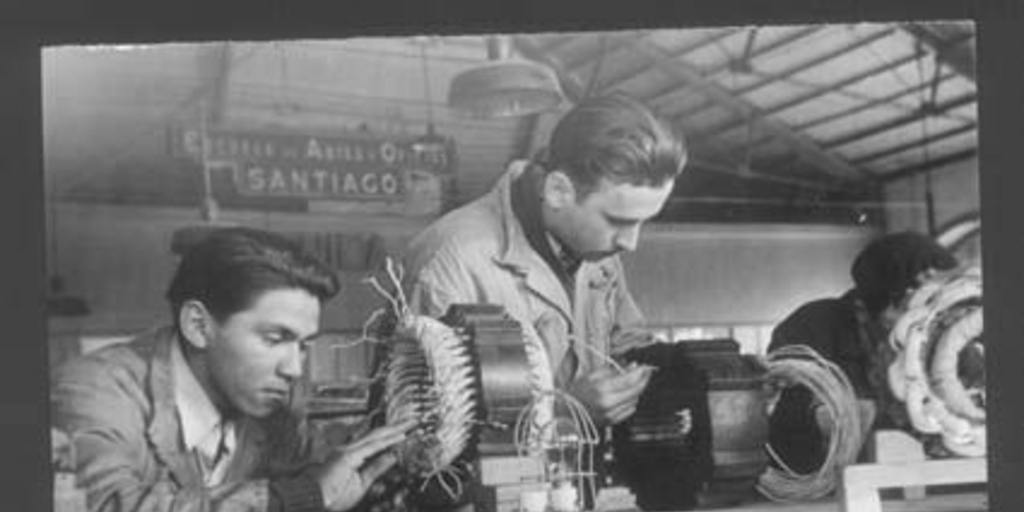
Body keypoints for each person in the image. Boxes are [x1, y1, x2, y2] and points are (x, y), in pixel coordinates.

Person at [52, 227, 414, 512]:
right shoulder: (94, 390)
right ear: (198, 325)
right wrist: (296, 498)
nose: (294, 368)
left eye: (303, 345)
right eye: (275, 338)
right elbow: (105, 505)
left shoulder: (277, 409)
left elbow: (325, 484)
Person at [403, 93, 688, 425]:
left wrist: (681, 367)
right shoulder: (451, 260)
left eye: (643, 221)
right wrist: (562, 411)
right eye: (618, 221)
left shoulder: (598, 250)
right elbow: (420, 425)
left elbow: (625, 347)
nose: (631, 242)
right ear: (557, 191)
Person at [765, 230, 959, 473]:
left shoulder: (939, 333)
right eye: (920, 295)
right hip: (818, 484)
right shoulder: (814, 325)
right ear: (883, 297)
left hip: (917, 481)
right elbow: (788, 410)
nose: (932, 310)